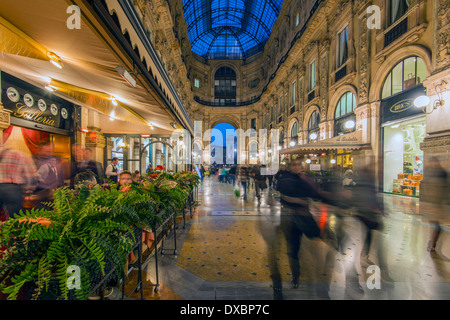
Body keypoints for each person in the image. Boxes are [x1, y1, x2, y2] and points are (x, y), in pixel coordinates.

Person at [276, 159, 344, 291]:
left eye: (298, 164)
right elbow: (281, 194)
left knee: (318, 234)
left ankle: (331, 246)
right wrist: (296, 200)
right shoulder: (285, 178)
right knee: (293, 250)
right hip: (290, 218)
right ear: (290, 166)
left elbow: (316, 194)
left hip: (304, 216)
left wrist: (335, 198)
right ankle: (295, 276)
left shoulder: (304, 179)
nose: (297, 167)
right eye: (294, 164)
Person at [0, 143, 38, 220]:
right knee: (14, 219)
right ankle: (13, 231)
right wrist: (28, 191)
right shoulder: (22, 155)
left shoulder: (2, 154)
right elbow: (31, 176)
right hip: (13, 189)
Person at [425, 157, 449, 253]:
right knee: (435, 225)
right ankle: (432, 242)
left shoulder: (443, 174)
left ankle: (432, 243)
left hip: (438, 206)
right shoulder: (431, 174)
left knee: (437, 226)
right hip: (433, 205)